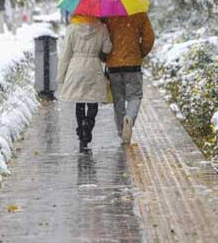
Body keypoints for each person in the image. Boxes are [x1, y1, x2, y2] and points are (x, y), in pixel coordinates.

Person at [57, 14, 113, 150]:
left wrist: (61, 76)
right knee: (93, 102)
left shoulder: (71, 28)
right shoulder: (101, 28)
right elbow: (108, 48)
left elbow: (65, 55)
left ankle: (81, 128)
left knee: (80, 101)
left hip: (76, 68)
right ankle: (88, 124)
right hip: (94, 67)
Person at [105, 12, 155, 145]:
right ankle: (129, 119)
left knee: (118, 99)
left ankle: (122, 130)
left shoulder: (109, 14)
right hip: (133, 65)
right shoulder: (139, 13)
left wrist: (106, 57)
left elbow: (103, 39)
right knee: (134, 96)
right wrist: (139, 53)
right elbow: (149, 38)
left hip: (114, 65)